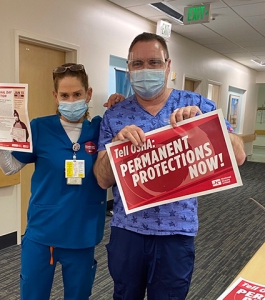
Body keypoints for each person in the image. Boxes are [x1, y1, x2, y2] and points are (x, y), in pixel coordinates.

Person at [93, 32, 246, 300]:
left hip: (176, 231)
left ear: (168, 66)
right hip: (128, 231)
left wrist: (203, 127)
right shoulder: (115, 115)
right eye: (137, 64)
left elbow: (239, 155)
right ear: (128, 68)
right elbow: (102, 179)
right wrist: (116, 147)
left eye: (154, 62)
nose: (146, 70)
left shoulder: (197, 105)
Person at [0, 63, 120, 300]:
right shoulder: (39, 128)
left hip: (82, 233)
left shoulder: (100, 128)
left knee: (78, 296)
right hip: (42, 233)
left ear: (88, 94)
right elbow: (10, 168)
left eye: (77, 94)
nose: (71, 100)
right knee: (33, 295)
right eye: (64, 95)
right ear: (56, 97)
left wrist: (123, 105)